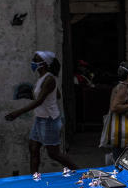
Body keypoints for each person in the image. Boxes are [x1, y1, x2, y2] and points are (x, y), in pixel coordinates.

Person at [5, 50, 78, 179]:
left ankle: (79, 172)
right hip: (40, 119)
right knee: (33, 148)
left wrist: (17, 113)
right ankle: (34, 178)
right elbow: (57, 95)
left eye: (36, 60)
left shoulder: (49, 79)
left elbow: (39, 101)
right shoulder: (43, 79)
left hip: (49, 120)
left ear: (44, 64)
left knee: (53, 154)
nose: (33, 62)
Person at [100, 62, 128, 163]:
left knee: (119, 155)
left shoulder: (120, 87)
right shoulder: (123, 89)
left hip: (120, 132)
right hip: (122, 132)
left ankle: (112, 159)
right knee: (121, 159)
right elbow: (114, 107)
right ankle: (111, 161)